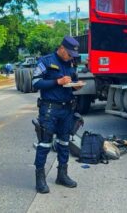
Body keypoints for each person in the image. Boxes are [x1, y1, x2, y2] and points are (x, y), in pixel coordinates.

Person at [32, 36, 81, 194]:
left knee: (64, 143)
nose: (70, 57)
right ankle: (40, 179)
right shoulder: (46, 61)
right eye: (68, 54)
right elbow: (35, 83)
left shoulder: (70, 63)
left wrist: (76, 86)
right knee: (45, 144)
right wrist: (57, 82)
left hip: (67, 109)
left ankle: (62, 175)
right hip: (50, 109)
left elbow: (73, 82)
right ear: (61, 48)